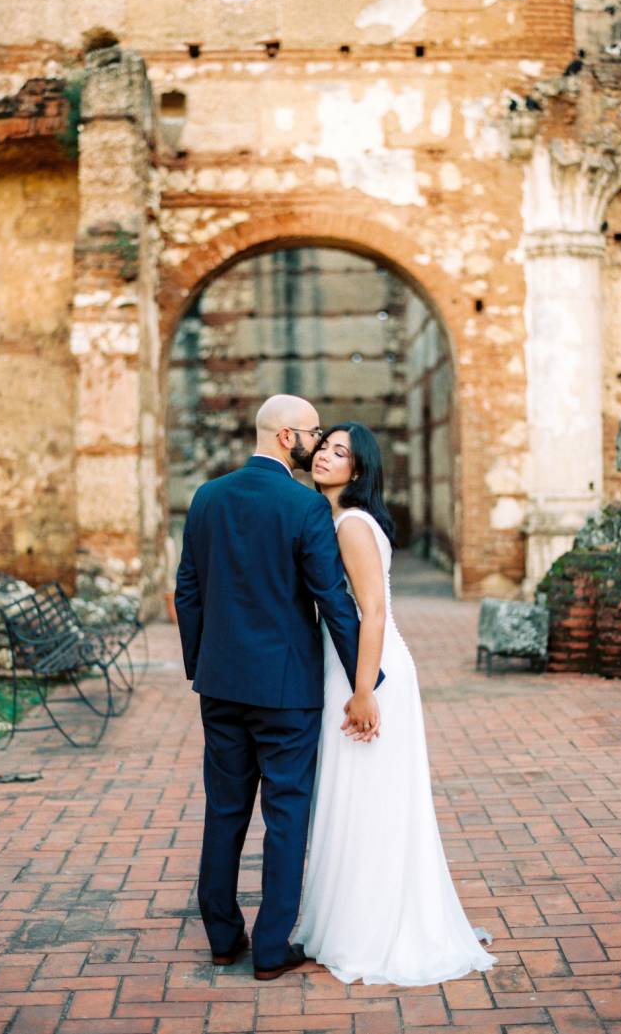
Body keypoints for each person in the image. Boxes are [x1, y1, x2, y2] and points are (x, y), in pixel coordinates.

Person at [174, 395, 382, 981]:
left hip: (220, 684)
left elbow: (187, 591)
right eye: (315, 433)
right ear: (288, 436)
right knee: (286, 814)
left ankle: (221, 937)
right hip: (287, 690)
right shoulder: (303, 507)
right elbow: (332, 600)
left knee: (225, 808)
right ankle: (270, 948)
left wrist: (201, 665)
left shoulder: (207, 498)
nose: (318, 443)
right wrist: (368, 681)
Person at [296, 422, 497, 986]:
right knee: (357, 792)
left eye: (341, 453)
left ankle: (374, 930)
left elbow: (374, 612)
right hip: (353, 662)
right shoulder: (335, 519)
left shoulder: (353, 524)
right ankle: (350, 918)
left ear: (358, 471)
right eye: (325, 448)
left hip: (370, 667)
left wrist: (365, 691)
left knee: (371, 794)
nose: (326, 457)